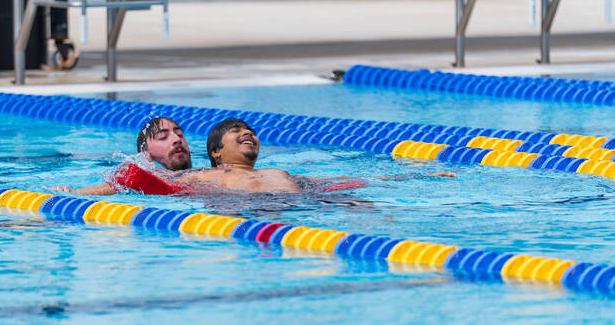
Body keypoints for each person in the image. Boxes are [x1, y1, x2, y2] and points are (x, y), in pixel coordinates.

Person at [170, 118, 456, 194]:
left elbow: (342, 180)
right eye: (236, 132)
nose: (247, 134)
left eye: (250, 131)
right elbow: (161, 184)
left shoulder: (278, 173)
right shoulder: (207, 174)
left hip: (302, 206)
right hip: (248, 212)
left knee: (359, 201)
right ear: (216, 152)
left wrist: (419, 175)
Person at [48, 117, 191, 195]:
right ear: (145, 155)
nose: (177, 139)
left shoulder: (205, 171)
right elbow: (128, 185)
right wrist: (75, 193)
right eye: (163, 137)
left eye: (180, 134)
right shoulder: (152, 178)